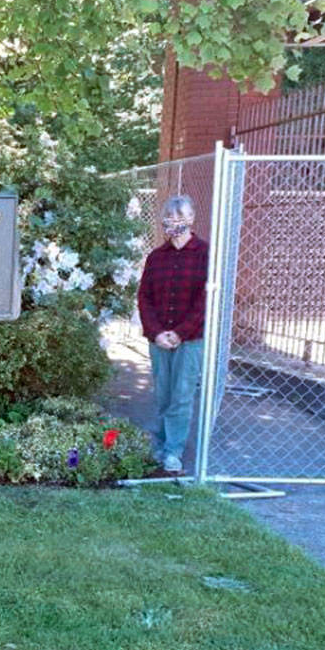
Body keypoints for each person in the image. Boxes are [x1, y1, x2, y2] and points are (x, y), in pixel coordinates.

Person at [138, 194, 208, 475]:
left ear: (191, 220)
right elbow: (144, 298)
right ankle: (162, 444)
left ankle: (173, 452)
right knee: (164, 394)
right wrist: (156, 333)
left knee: (181, 395)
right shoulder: (156, 257)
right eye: (169, 218)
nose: (173, 224)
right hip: (159, 339)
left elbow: (204, 300)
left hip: (189, 340)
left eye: (180, 218)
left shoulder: (204, 254)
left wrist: (179, 333)